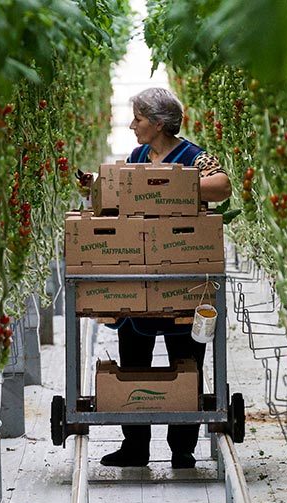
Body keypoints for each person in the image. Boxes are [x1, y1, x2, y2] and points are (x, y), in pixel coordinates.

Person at [99, 87, 231, 469]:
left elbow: (222, 186)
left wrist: (169, 190)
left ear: (158, 123)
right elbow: (121, 192)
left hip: (182, 273)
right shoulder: (138, 157)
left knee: (185, 361)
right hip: (139, 273)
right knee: (133, 358)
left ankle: (182, 446)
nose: (132, 125)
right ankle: (135, 445)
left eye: (138, 119)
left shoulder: (193, 156)